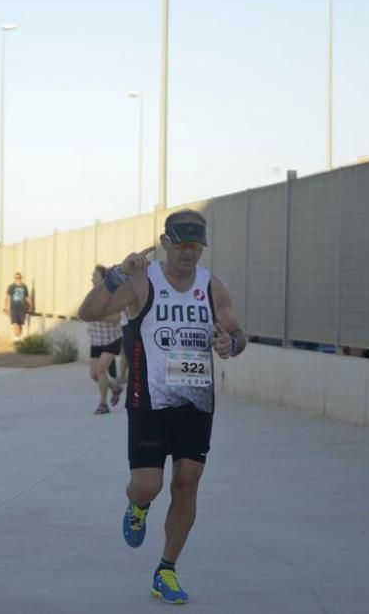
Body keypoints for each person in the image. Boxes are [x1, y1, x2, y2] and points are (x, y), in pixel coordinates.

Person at [78, 209, 247, 605]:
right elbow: (88, 312)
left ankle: (166, 570)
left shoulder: (212, 286)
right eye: (181, 244)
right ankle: (138, 506)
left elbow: (238, 333)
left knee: (187, 483)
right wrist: (117, 274)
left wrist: (231, 345)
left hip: (197, 402)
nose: (188, 253)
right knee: (147, 485)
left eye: (196, 245)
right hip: (149, 400)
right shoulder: (142, 280)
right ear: (164, 242)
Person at [88, 265, 124, 414]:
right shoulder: (91, 294)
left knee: (101, 370)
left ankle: (103, 404)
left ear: (103, 279)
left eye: (95, 276)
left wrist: (98, 315)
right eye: (92, 276)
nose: (92, 278)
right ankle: (115, 388)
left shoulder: (112, 296)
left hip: (111, 339)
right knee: (94, 374)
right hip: (96, 339)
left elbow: (116, 318)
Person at [4, 272, 32, 342]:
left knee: (20, 323)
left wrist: (30, 306)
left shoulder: (24, 287)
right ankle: (16, 336)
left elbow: (27, 297)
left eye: (19, 277)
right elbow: (7, 297)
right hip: (13, 308)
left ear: (21, 278)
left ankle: (19, 337)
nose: (18, 279)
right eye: (16, 278)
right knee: (15, 322)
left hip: (22, 308)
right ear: (14, 279)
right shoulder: (11, 286)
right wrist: (6, 307)